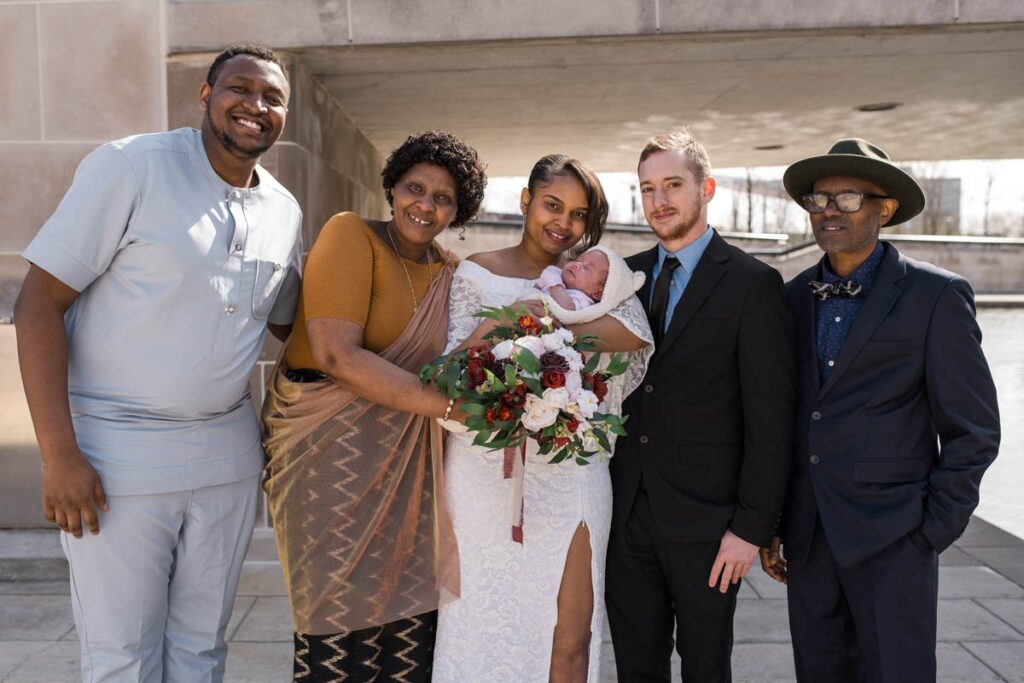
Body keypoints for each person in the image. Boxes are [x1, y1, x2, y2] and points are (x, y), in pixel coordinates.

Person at [14, 45, 302, 681]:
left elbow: (295, 326)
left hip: (226, 458)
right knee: (122, 657)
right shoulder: (131, 167)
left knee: (201, 650)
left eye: (272, 97)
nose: (255, 106)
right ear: (206, 95)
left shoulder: (284, 211)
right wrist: (60, 457)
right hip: (117, 455)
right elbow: (37, 305)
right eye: (239, 88)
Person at [759, 138, 1001, 682]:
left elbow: (974, 429)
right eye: (818, 200)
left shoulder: (935, 297)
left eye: (846, 199)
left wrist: (931, 532)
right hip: (809, 538)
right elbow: (785, 420)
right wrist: (776, 522)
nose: (827, 212)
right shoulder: (791, 298)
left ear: (884, 209)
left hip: (896, 539)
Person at [261, 130, 487, 682]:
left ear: (459, 210)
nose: (426, 205)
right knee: (334, 621)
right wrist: (451, 410)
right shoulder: (350, 234)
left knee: (408, 620)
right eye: (416, 188)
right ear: (392, 187)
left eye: (443, 199)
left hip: (406, 462)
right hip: (323, 452)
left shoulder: (451, 272)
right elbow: (338, 355)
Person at [433, 154, 653, 683]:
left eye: (578, 214)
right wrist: (513, 320)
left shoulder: (598, 273)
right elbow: (454, 369)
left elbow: (632, 339)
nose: (564, 223)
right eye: (553, 205)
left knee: (571, 637)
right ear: (526, 200)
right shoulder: (476, 272)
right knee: (483, 629)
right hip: (487, 474)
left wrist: (545, 327)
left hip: (572, 473)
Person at [606, 130, 796, 682]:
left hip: (710, 526)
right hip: (627, 513)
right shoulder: (624, 278)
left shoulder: (752, 284)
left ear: (705, 188)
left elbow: (772, 419)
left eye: (672, 185)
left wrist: (752, 527)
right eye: (647, 189)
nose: (659, 201)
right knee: (636, 669)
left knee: (707, 668)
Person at [536, 248, 610, 309]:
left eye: (586, 268)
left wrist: (555, 285)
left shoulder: (584, 300)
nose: (576, 265)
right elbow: (533, 290)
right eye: (578, 260)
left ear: (598, 293)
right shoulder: (557, 274)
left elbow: (566, 309)